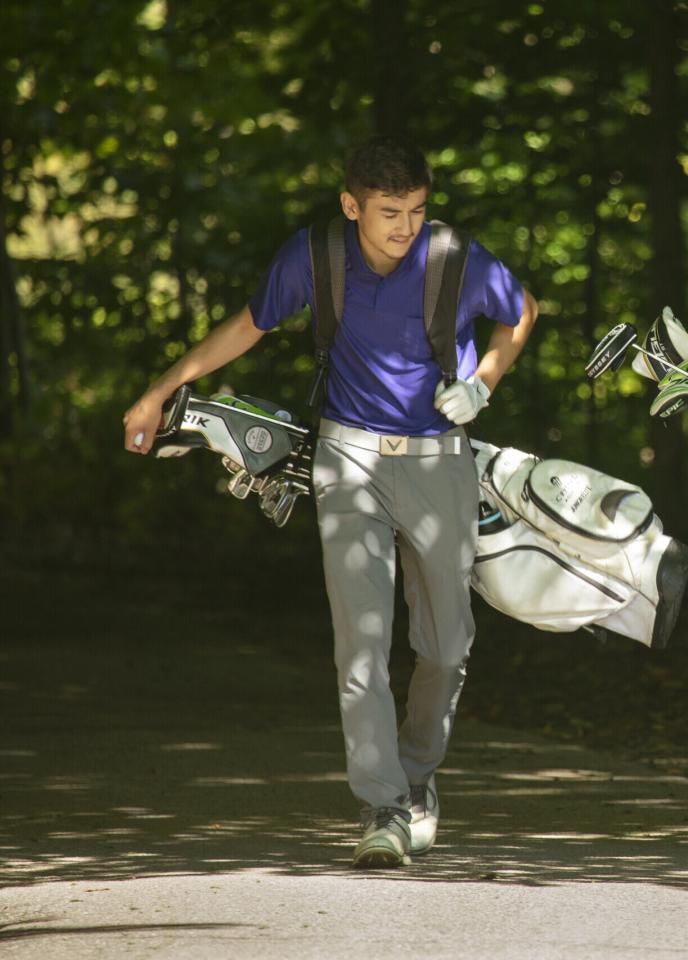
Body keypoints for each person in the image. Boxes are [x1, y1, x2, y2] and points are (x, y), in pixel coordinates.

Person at [122, 136, 538, 868]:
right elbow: (245, 327)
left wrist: (485, 382)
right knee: (362, 642)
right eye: (387, 213)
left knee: (446, 644)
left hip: (441, 460)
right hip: (347, 460)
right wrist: (160, 393)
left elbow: (522, 310)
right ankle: (382, 805)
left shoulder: (453, 257)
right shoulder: (316, 257)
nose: (404, 227)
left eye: (415, 210)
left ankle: (417, 776)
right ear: (352, 206)